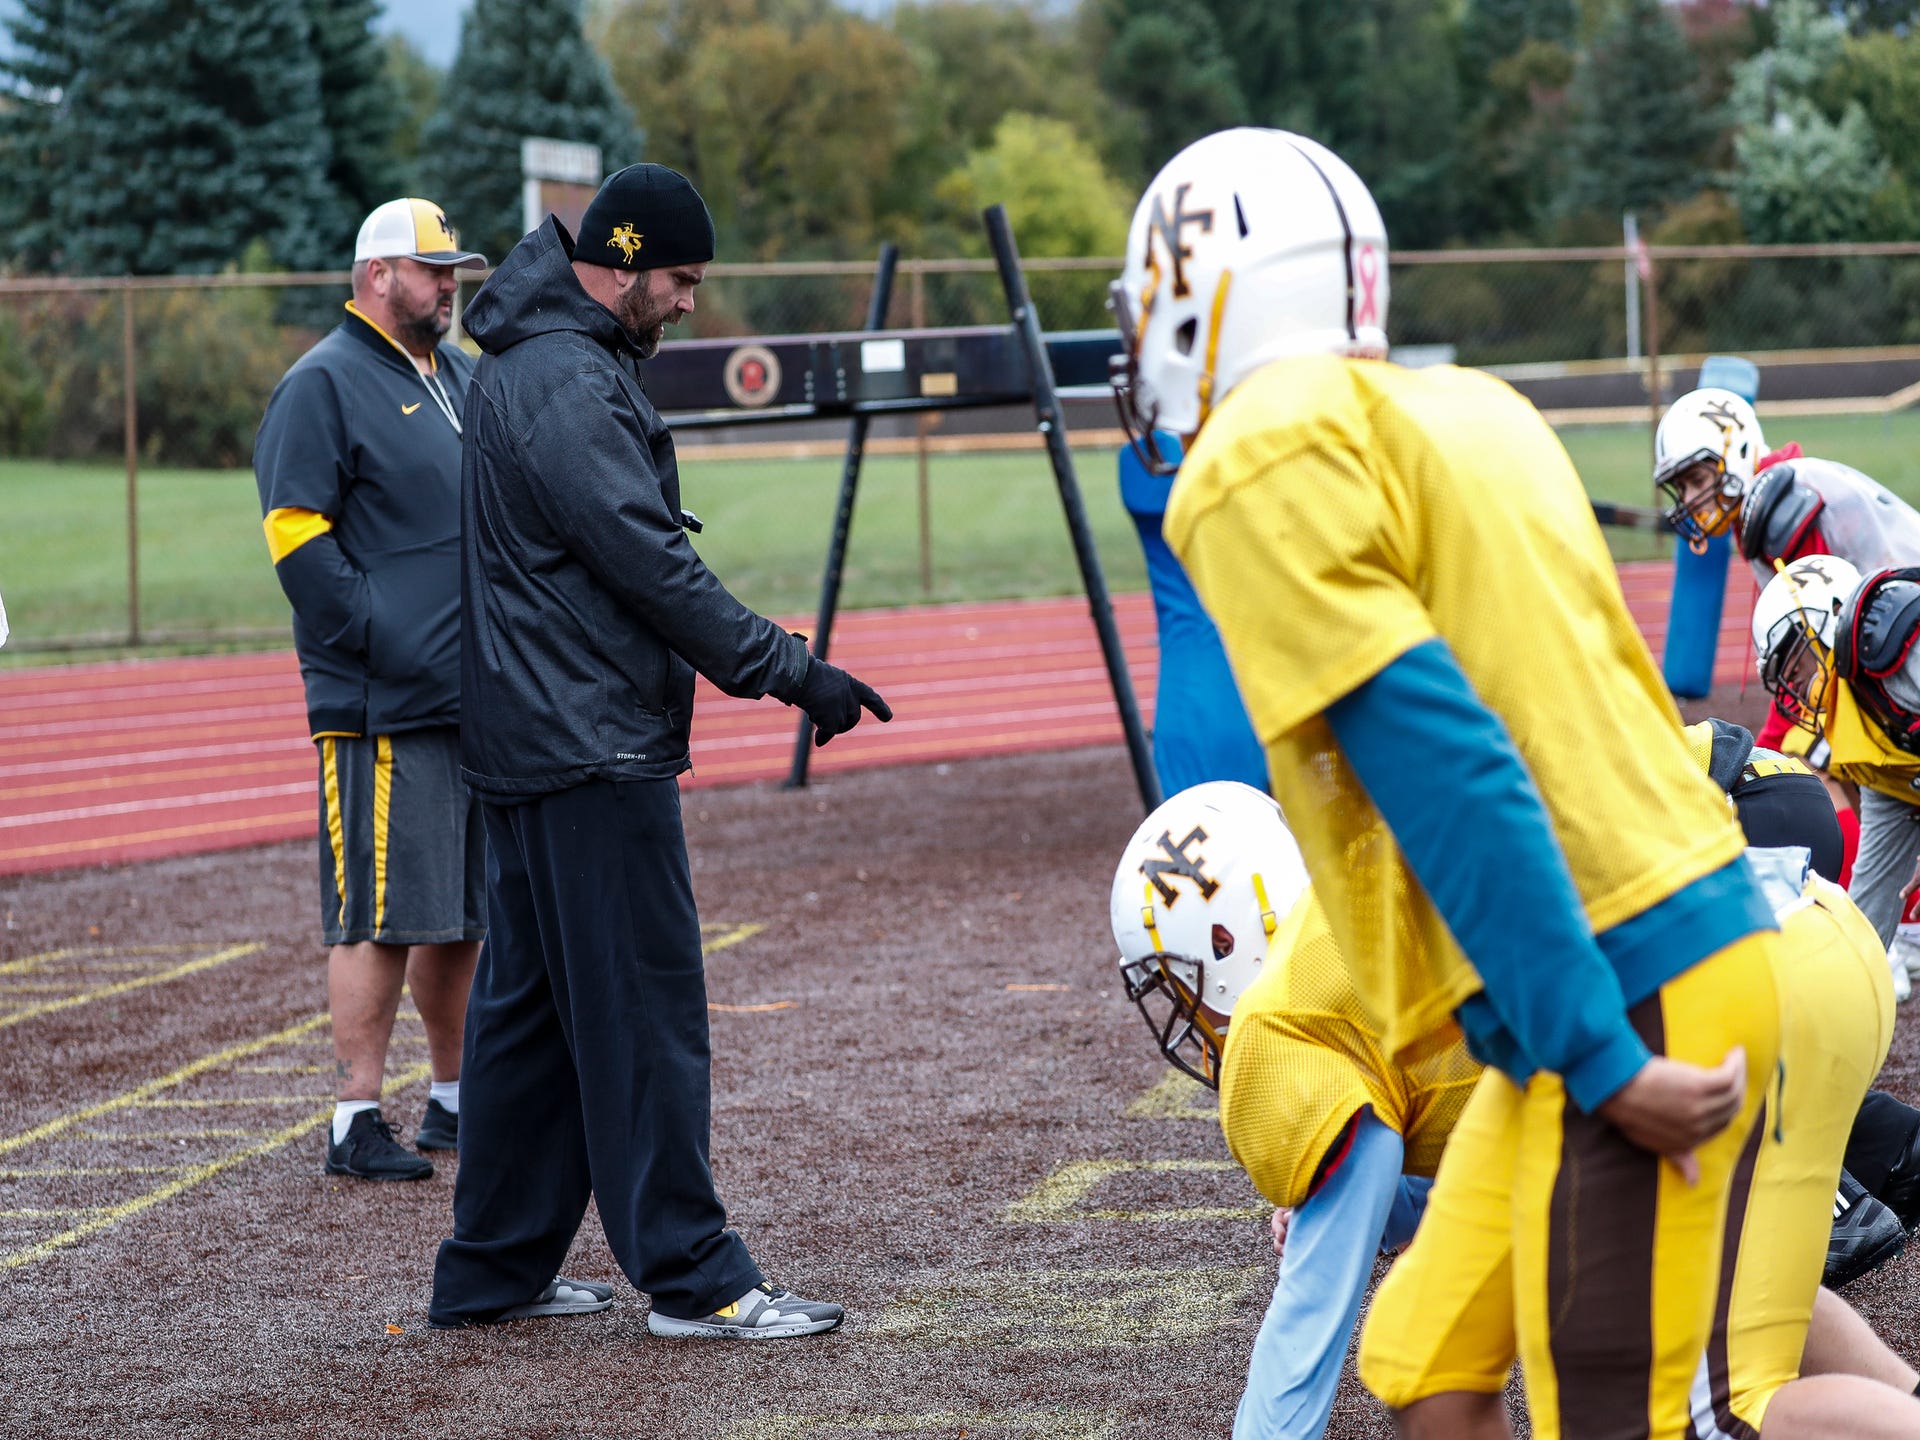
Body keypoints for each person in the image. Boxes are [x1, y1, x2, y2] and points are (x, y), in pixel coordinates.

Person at [1115, 128, 1780, 1439]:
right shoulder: (1467, 405)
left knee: (1611, 1411)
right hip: (1649, 933)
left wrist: (1595, 1052)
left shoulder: (1257, 458)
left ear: (1201, 293)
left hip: (1625, 968)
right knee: (1421, 1365)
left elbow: (1453, 762)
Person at [427, 164, 890, 1337]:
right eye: (681, 279)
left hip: (526, 744)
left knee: (527, 1022)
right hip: (588, 746)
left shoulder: (520, 361)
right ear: (624, 261)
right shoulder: (569, 380)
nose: (689, 302)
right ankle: (697, 1278)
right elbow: (651, 564)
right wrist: (793, 669)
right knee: (641, 1012)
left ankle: (494, 1267)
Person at [1110, 780, 1480, 1439]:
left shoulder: (1285, 1018)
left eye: (1179, 979)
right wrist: (1375, 1200)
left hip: (1693, 924)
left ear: (1226, 937)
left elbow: (1303, 1345)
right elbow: (1463, 1129)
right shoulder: (1343, 906)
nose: (1186, 1011)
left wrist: (1333, 1188)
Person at [253, 198, 489, 1182]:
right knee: (377, 913)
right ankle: (356, 1117)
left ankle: (451, 1101)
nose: (448, 285)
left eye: (453, 271)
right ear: (375, 276)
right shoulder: (324, 383)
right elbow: (295, 537)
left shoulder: (459, 377)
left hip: (470, 694)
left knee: (460, 910)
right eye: (431, 271)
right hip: (379, 700)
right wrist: (386, 643)